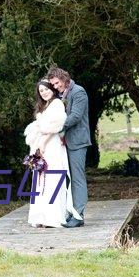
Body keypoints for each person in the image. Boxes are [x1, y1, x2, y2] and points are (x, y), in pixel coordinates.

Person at [24, 79, 82, 228]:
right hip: (41, 144)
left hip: (52, 145)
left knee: (53, 179)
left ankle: (53, 217)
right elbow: (39, 126)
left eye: (46, 89)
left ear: (52, 89)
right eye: (41, 91)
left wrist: (43, 143)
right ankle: (41, 216)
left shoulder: (57, 103)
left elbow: (56, 125)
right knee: (41, 180)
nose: (44, 93)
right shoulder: (43, 106)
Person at [45, 66, 91, 228]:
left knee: (77, 179)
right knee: (67, 179)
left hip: (77, 142)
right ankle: (70, 212)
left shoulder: (78, 92)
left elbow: (76, 117)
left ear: (64, 78)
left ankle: (79, 216)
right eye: (53, 85)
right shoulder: (61, 94)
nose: (56, 87)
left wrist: (54, 128)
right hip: (64, 143)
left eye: (57, 83)